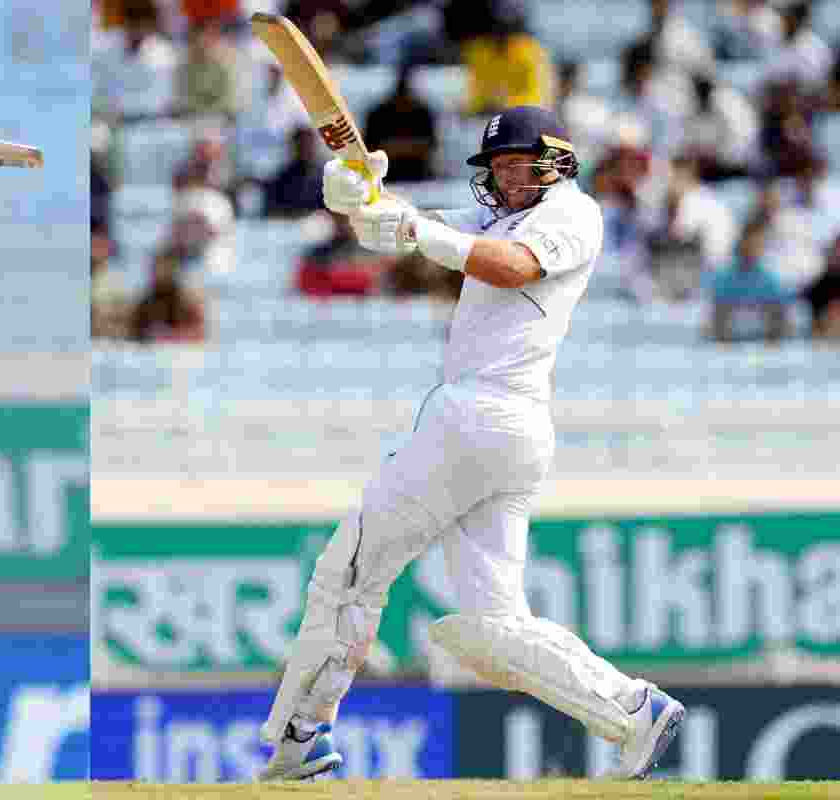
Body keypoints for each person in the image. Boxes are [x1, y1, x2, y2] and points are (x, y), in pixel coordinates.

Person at [257, 107, 684, 781]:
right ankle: (634, 712)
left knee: (348, 573)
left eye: (518, 166)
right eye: (497, 170)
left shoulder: (573, 215)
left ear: (555, 162)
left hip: (480, 418)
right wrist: (355, 196)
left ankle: (300, 741)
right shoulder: (504, 216)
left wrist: (416, 228)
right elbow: (406, 230)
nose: (506, 180)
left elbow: (509, 266)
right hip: (503, 434)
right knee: (492, 627)